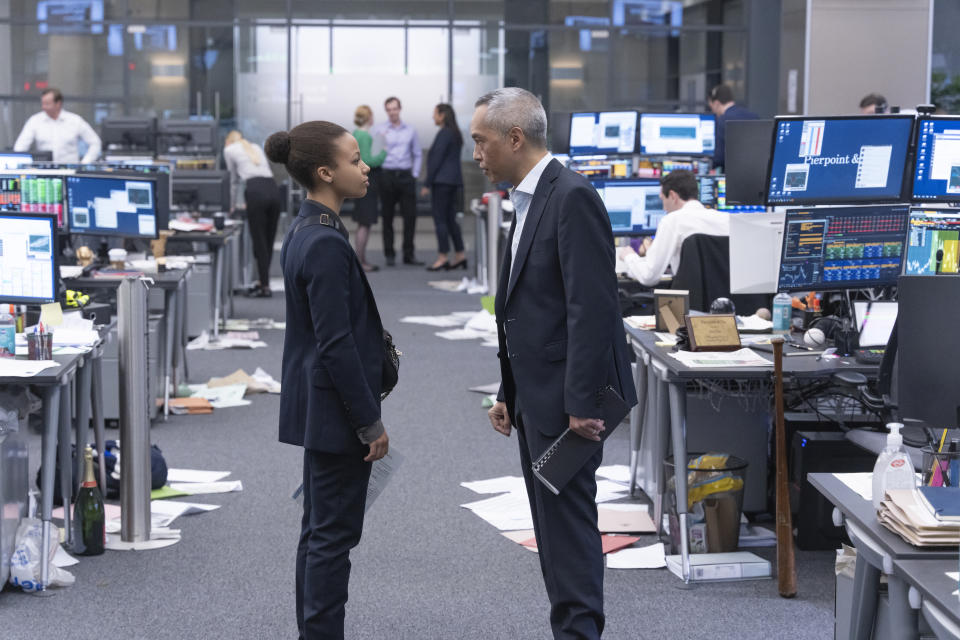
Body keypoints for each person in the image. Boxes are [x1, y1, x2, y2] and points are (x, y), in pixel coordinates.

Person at [475, 88, 637, 640]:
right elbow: (530, 308)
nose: (476, 153)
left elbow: (591, 309)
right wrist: (508, 392)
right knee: (552, 533)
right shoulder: (527, 199)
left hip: (569, 406)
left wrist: (582, 405)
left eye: (481, 141)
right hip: (536, 398)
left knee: (568, 536)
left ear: (514, 138)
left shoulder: (571, 197)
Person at [267, 121, 389, 640]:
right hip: (337, 410)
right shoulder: (324, 243)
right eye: (354, 159)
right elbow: (335, 344)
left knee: (318, 533)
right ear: (325, 172)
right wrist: (369, 423)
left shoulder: (307, 229)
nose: (365, 168)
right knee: (331, 539)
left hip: (319, 404)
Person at [616, 169, 729, 287]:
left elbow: (648, 276)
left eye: (663, 199)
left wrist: (629, 256)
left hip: (691, 302)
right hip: (729, 301)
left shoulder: (672, 221)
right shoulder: (726, 219)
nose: (664, 207)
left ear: (673, 196)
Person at [224, 130, 283, 297]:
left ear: (228, 142)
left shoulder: (229, 150)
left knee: (259, 240)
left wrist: (232, 205)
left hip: (255, 192)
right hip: (273, 190)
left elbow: (233, 180)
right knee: (268, 239)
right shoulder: (255, 146)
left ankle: (264, 286)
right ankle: (263, 282)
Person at [374, 96, 423, 266]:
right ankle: (389, 254)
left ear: (399, 109)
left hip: (406, 176)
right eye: (389, 109)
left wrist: (415, 174)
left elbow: (417, 153)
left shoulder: (410, 130)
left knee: (410, 217)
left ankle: (408, 254)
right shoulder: (380, 129)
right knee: (387, 217)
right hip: (387, 176)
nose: (392, 112)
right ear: (386, 111)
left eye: (394, 108)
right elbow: (375, 152)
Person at [421, 103, 466, 271]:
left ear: (442, 115)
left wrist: (427, 183)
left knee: (440, 220)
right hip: (453, 181)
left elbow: (436, 160)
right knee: (450, 220)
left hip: (442, 182)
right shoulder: (455, 133)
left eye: (435, 114)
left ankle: (442, 257)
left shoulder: (444, 134)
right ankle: (460, 255)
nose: (433, 117)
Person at [14, 88, 101, 163]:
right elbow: (20, 147)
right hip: (43, 171)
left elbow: (95, 142)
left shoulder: (75, 120)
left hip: (70, 171)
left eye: (47, 104)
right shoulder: (35, 121)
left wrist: (85, 163)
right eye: (42, 103)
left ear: (58, 104)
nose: (43, 107)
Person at [351, 105, 387, 272]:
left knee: (362, 222)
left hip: (361, 182)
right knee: (365, 223)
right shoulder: (364, 135)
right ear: (368, 117)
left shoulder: (356, 134)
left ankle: (360, 259)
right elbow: (369, 162)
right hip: (368, 182)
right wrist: (383, 152)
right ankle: (360, 261)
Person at [707, 83, 757, 171]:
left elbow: (719, 157)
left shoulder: (723, 120)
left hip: (733, 174)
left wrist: (707, 162)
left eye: (712, 107)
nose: (713, 111)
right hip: (756, 171)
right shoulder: (753, 116)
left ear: (716, 103)